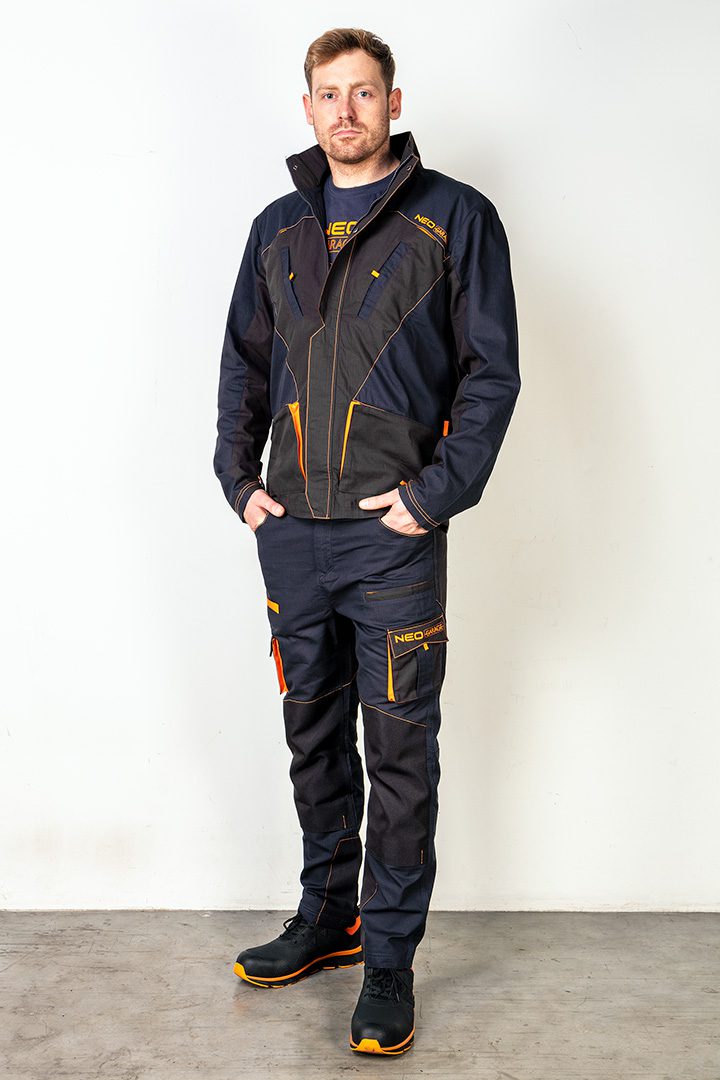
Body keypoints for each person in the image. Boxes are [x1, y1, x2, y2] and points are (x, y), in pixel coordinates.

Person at [213, 26, 520, 1056]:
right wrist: (240, 484)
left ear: (393, 102)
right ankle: (329, 917)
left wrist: (433, 497)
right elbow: (244, 365)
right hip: (293, 533)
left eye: (363, 92)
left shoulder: (454, 217)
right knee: (312, 736)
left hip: (392, 538)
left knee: (397, 753)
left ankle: (388, 960)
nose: (345, 110)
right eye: (328, 93)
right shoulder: (277, 228)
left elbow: (492, 374)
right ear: (307, 108)